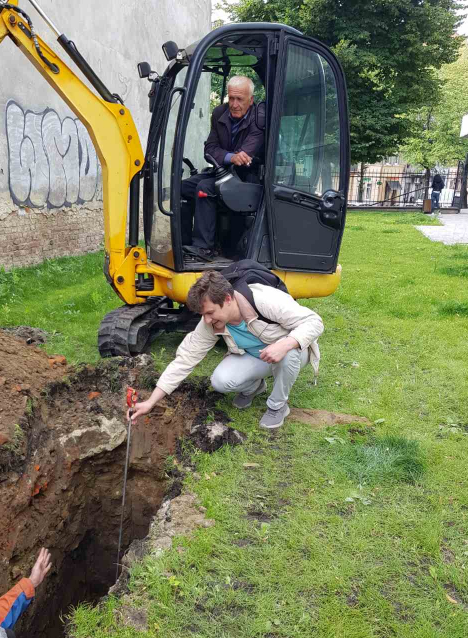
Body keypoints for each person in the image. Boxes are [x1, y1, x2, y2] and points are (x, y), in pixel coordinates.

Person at [129, 270, 323, 430]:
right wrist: (150, 402)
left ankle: (278, 406)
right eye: (202, 315)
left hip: (294, 351)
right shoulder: (211, 323)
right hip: (258, 358)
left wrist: (286, 343)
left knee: (288, 356)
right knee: (220, 381)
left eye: (210, 313)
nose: (206, 320)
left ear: (228, 299)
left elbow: (314, 322)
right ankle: (255, 387)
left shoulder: (263, 299)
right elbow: (184, 360)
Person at [181, 75, 265, 262]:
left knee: (205, 188)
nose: (234, 104)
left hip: (248, 176)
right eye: (231, 98)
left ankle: (203, 248)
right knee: (182, 188)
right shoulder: (220, 113)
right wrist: (231, 157)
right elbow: (210, 149)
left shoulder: (259, 118)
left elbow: (246, 155)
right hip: (223, 170)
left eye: (239, 99)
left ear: (250, 100)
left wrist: (233, 157)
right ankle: (184, 244)